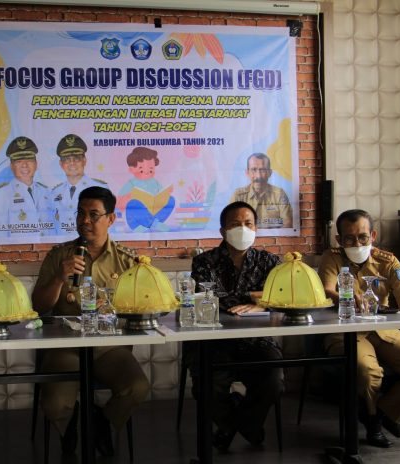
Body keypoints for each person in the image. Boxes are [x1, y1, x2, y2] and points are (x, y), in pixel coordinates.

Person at [31, 186, 150, 456]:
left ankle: (100, 423)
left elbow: (140, 306)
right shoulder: (59, 256)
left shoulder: (127, 261)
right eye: (81, 214)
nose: (85, 221)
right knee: (55, 404)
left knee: (137, 387)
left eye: (94, 215)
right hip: (66, 347)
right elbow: (39, 306)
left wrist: (111, 307)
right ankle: (69, 426)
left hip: (110, 348)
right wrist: (60, 279)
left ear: (110, 219)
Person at [318, 209, 400, 448]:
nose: (357, 243)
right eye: (349, 238)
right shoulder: (332, 257)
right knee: (367, 372)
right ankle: (375, 421)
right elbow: (326, 289)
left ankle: (381, 415)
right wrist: (344, 296)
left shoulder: (388, 261)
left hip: (384, 330)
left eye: (362, 237)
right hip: (345, 329)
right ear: (339, 240)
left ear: (373, 235)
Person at [186, 201, 284, 452]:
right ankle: (239, 425)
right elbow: (212, 299)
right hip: (214, 340)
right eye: (235, 224)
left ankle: (239, 425)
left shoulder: (270, 261)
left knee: (274, 377)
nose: (242, 229)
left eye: (248, 224)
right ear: (222, 231)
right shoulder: (204, 262)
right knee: (207, 382)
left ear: (256, 228)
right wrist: (260, 296)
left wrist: (263, 305)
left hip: (257, 340)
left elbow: (284, 297)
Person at [0, 136, 52, 238]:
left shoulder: (46, 192)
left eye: (29, 160)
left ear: (36, 164)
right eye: (19, 161)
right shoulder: (2, 194)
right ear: (11, 166)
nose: (25, 165)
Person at [50, 133, 109, 234]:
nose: (72, 163)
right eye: (67, 159)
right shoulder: (55, 192)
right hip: (63, 245)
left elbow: (108, 223)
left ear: (84, 161)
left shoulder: (100, 188)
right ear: (61, 164)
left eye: (76, 158)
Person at [116, 146, 175, 232]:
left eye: (151, 170)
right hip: (137, 220)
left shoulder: (155, 182)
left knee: (170, 200)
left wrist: (166, 193)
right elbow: (118, 204)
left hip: (154, 212)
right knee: (133, 203)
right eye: (141, 170)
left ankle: (154, 223)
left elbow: (161, 194)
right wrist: (127, 198)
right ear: (131, 170)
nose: (147, 172)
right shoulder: (131, 184)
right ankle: (150, 224)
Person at [231, 153, 293, 229]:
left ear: (269, 173)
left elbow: (288, 223)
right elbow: (231, 224)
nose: (258, 176)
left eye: (263, 170)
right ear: (247, 173)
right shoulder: (238, 195)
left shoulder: (279, 194)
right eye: (254, 170)